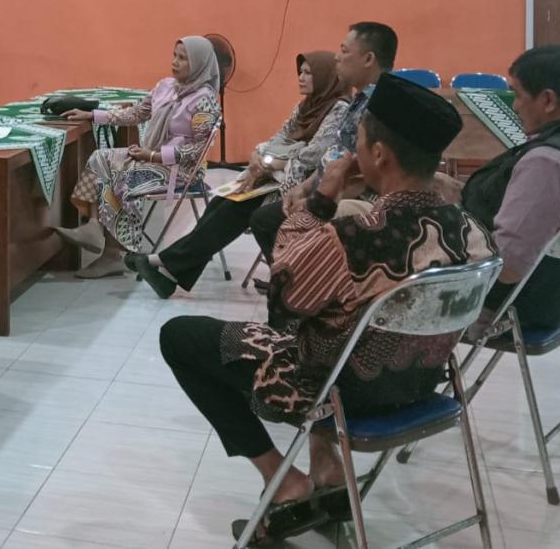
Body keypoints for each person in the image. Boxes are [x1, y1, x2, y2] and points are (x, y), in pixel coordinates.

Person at [159, 74, 494, 541]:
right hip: (422, 387)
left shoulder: (353, 236)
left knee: (179, 337)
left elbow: (284, 298)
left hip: (340, 394)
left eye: (359, 140)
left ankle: (283, 481)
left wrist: (320, 199)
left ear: (378, 154)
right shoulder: (474, 234)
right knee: (335, 321)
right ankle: (326, 463)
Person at [129, 51, 349, 297]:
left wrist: (270, 163)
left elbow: (312, 155)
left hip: (302, 185)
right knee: (220, 202)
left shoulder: (338, 109)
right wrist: (258, 155)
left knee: (235, 210)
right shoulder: (306, 106)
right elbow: (280, 137)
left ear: (325, 77)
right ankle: (169, 272)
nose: (301, 77)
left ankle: (164, 263)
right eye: (301, 72)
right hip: (276, 176)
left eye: (308, 73)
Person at [436, 45, 560, 331]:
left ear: (547, 100)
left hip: (498, 306)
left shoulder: (546, 163)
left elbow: (508, 265)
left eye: (519, 95)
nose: (515, 106)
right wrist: (460, 193)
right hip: (546, 300)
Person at [54, 36, 222, 278]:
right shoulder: (166, 86)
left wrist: (154, 155)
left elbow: (198, 149)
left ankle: (114, 254)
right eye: (174, 55)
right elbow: (136, 113)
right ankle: (93, 226)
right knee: (100, 158)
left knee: (122, 175)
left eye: (183, 58)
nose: (175, 62)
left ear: (199, 64)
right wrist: (92, 115)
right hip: (150, 159)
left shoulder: (205, 100)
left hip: (181, 170)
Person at [249, 21, 397, 268]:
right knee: (249, 208)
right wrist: (305, 187)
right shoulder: (359, 100)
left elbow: (362, 173)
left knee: (264, 219)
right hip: (327, 187)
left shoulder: (380, 105)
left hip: (356, 198)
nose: (337, 57)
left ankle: (301, 281)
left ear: (368, 59)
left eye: (344, 51)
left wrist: (317, 200)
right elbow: (335, 154)